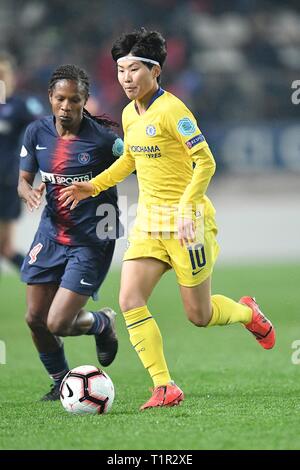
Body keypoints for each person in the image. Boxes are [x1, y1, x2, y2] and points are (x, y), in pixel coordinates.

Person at [59, 29, 276, 411]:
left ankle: (247, 313)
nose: (125, 77)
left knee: (200, 314)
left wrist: (189, 207)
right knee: (129, 299)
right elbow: (130, 160)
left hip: (187, 225)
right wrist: (92, 186)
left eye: (134, 69)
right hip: (149, 223)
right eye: (120, 70)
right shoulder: (129, 113)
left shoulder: (174, 111)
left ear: (155, 71)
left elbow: (205, 161)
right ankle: (164, 386)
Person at [18, 64, 124, 401]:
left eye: (74, 100)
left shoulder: (106, 140)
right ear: (50, 97)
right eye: (60, 98)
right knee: (35, 318)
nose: (66, 106)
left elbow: (138, 163)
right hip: (51, 233)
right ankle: (61, 381)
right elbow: (24, 179)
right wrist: (28, 191)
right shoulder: (37, 133)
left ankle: (102, 323)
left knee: (58, 322)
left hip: (91, 239)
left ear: (85, 101)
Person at [0, 53, 41, 276]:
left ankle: (41, 278)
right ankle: (42, 278)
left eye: (3, 75)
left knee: (5, 247)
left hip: (5, 182)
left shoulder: (21, 105)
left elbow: (45, 128)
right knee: (5, 248)